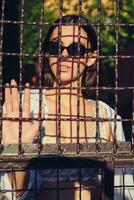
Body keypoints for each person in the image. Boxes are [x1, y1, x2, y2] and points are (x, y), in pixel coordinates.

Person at [0, 14, 133, 200]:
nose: (63, 55)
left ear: (91, 58)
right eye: (56, 47)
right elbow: (14, 192)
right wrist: (16, 153)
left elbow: (123, 190)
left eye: (76, 49)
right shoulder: (26, 108)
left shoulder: (106, 115)